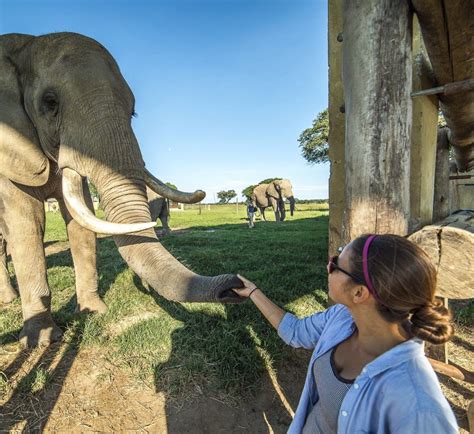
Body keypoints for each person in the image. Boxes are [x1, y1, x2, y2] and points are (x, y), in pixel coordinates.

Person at [233, 234, 458, 433]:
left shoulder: (420, 408)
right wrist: (253, 292)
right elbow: (296, 332)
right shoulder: (342, 317)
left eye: (335, 265)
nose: (328, 266)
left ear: (359, 293)